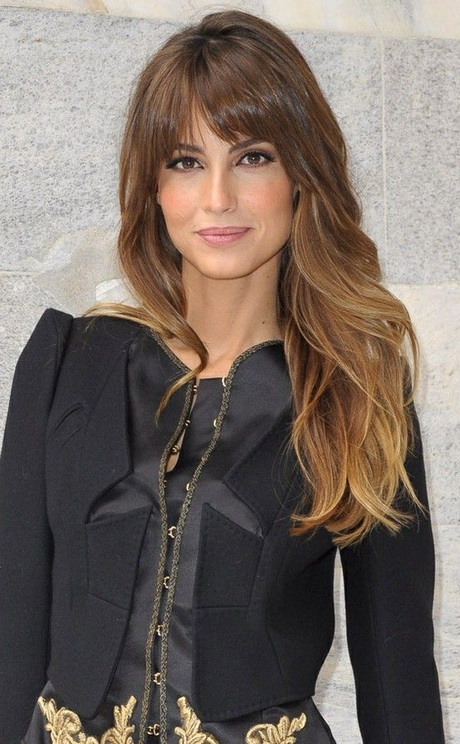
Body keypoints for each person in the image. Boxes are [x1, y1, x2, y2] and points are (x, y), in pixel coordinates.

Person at [0, 9, 445, 744]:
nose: (217, 197)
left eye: (252, 157)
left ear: (302, 176)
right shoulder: (67, 365)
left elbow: (397, 677)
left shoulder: (357, 394)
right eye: (185, 161)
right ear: (153, 186)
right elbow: (13, 638)